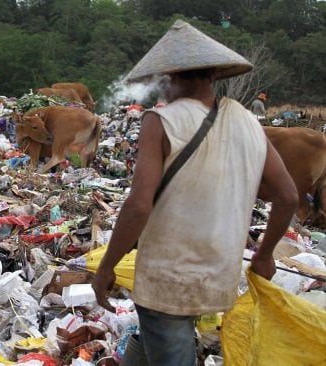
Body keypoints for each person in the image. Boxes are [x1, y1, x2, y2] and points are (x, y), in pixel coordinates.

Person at [91, 20, 298, 366]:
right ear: (213, 74)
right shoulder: (247, 121)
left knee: (169, 345)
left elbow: (140, 205)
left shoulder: (159, 122)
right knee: (154, 341)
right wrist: (264, 255)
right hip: (218, 276)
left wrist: (106, 268)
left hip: (168, 278)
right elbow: (289, 196)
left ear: (168, 77)